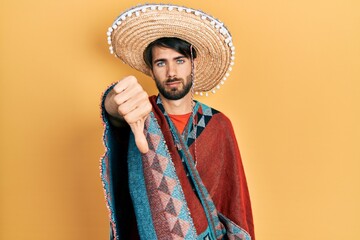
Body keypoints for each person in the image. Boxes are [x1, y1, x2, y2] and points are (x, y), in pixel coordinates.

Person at [100, 4, 255, 240]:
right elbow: (116, 116)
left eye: (180, 60)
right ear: (151, 71)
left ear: (194, 63)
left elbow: (234, 199)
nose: (171, 72)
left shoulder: (218, 124)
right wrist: (115, 99)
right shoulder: (142, 115)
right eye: (161, 63)